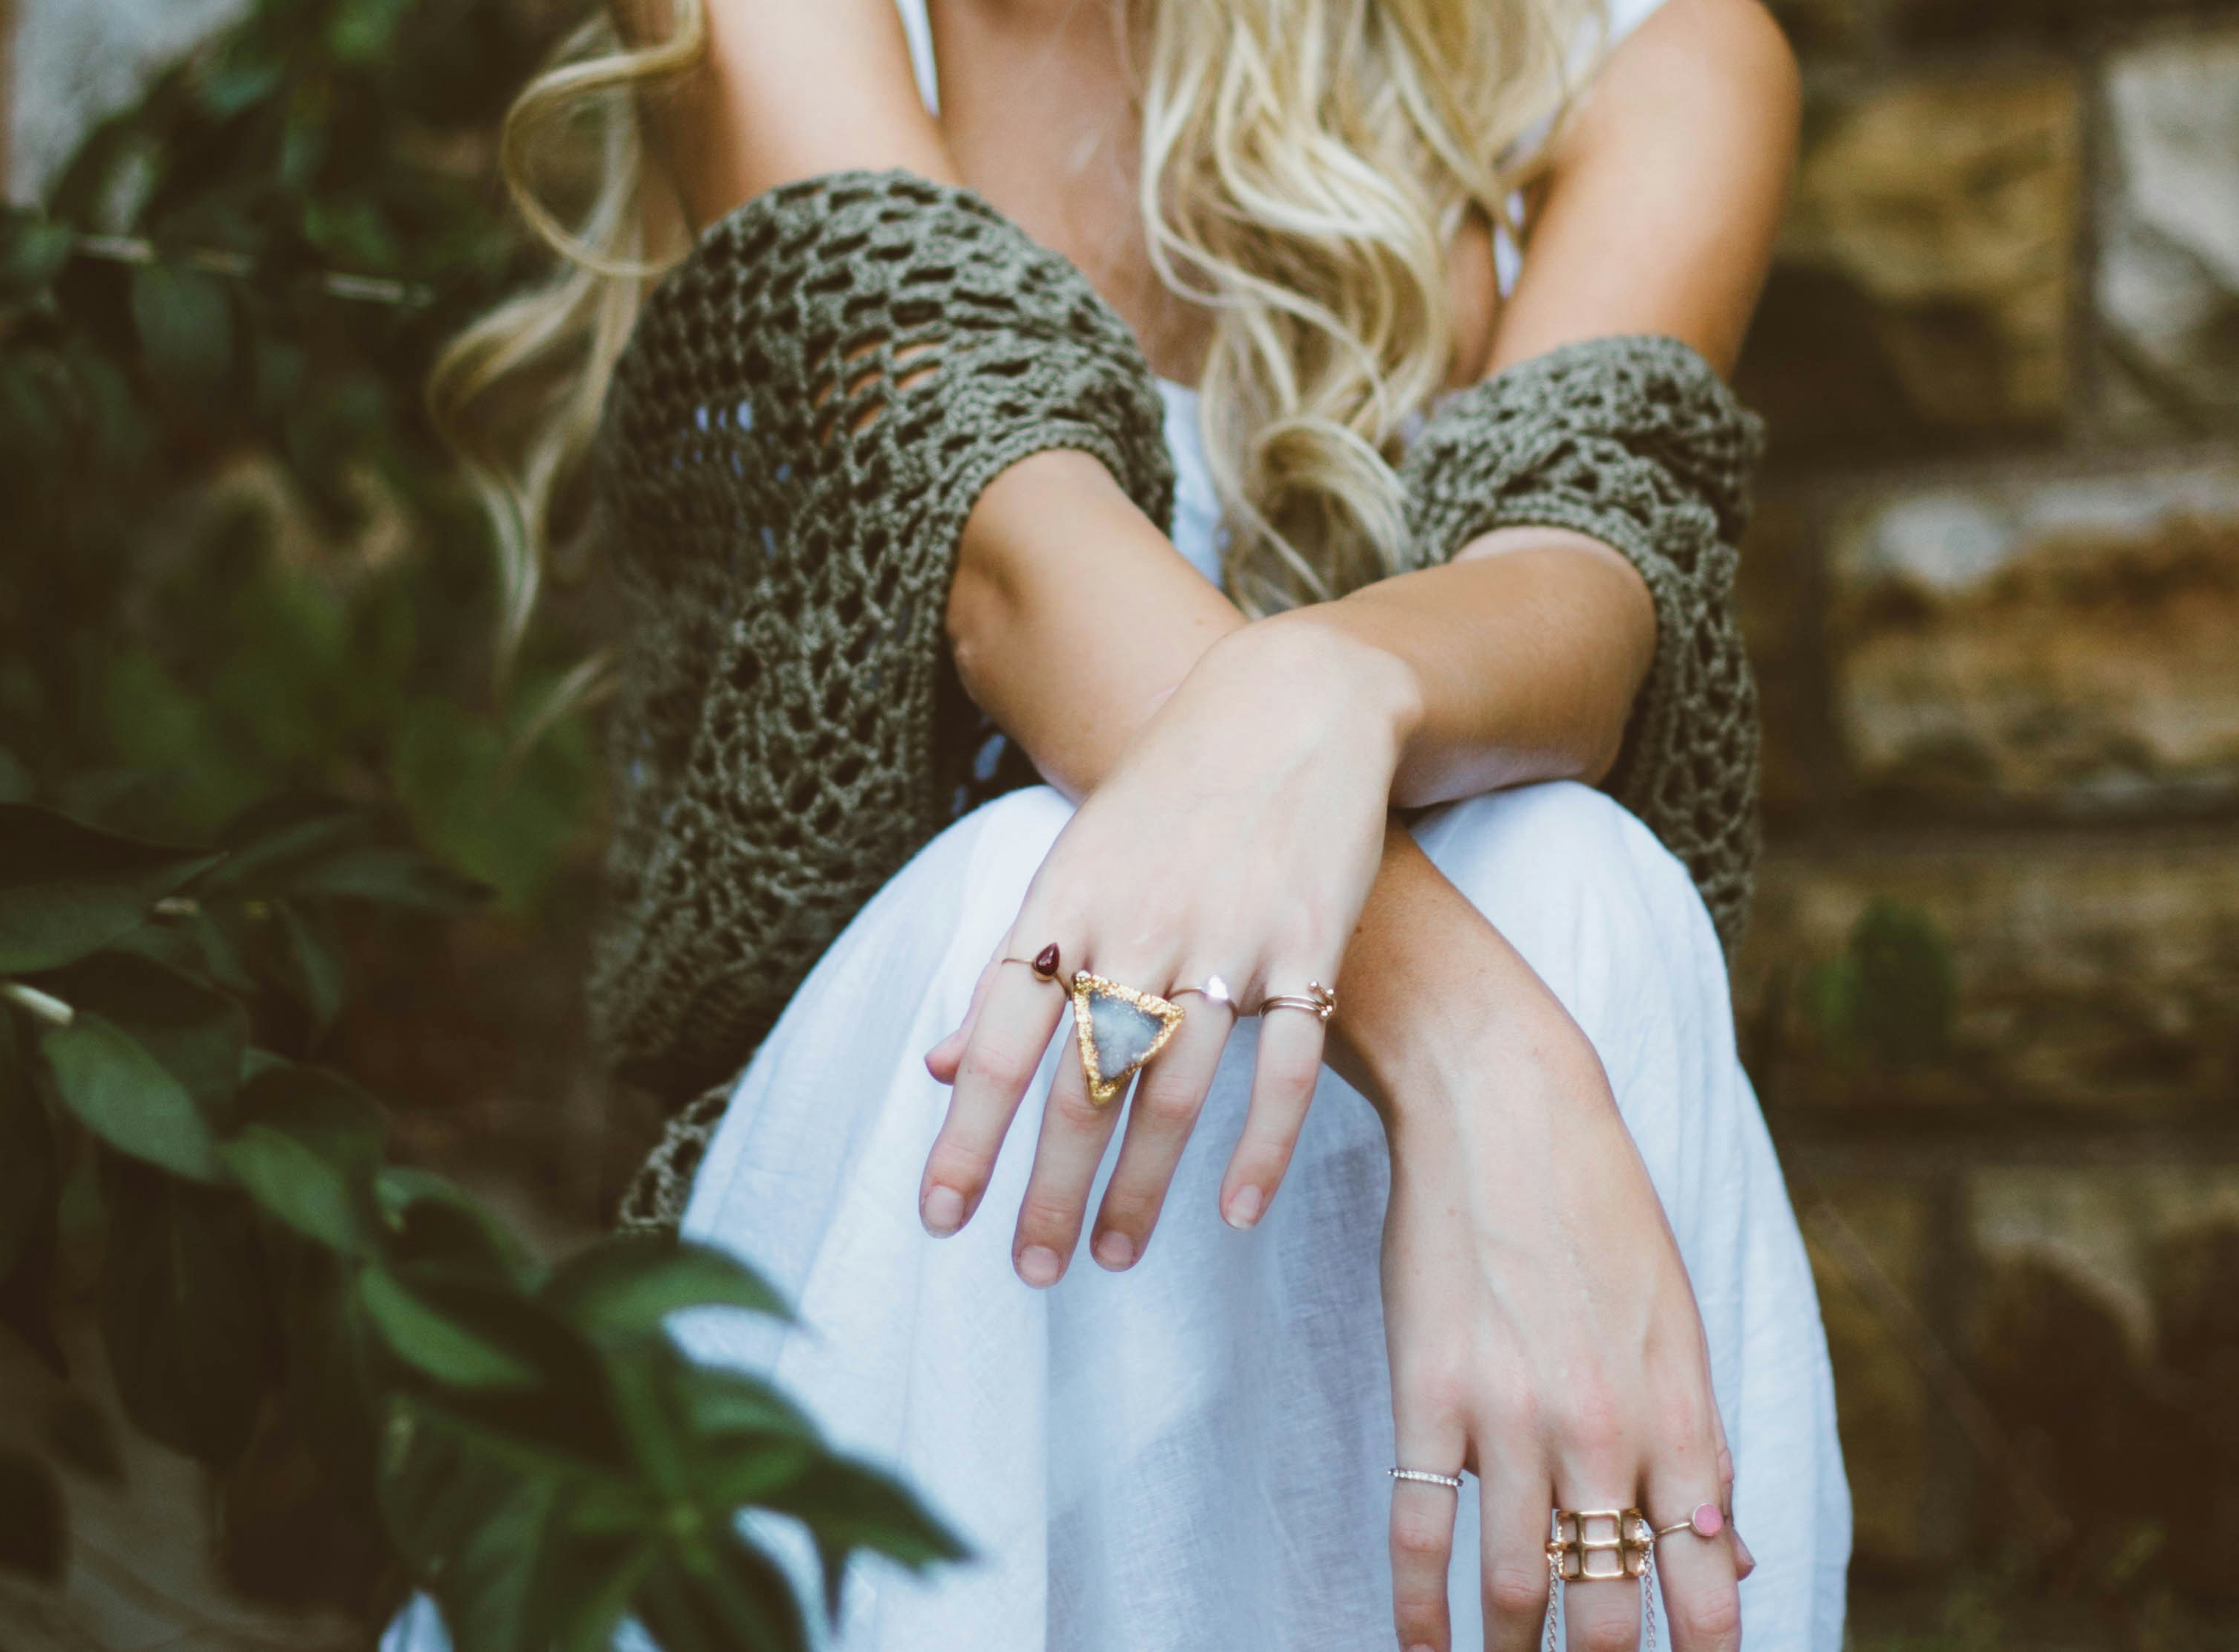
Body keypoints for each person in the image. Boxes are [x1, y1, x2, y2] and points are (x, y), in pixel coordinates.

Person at [393, 1, 1850, 1648]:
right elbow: (1005, 560)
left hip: (1342, 1275)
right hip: (951, 1206)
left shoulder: (1643, 50)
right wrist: (1476, 1054)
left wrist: (1322, 690)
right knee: (1031, 877)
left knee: (1576, 875)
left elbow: (1585, 596)